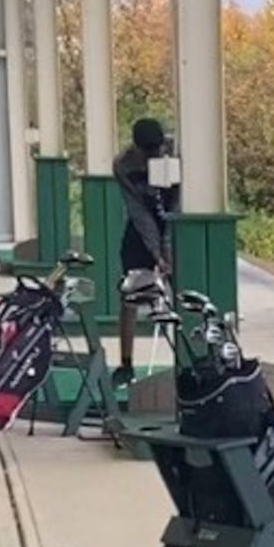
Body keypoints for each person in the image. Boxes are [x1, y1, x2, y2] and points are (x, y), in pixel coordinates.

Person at [112, 116, 179, 384]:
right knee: (130, 294)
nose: (156, 154)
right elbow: (138, 212)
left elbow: (181, 202)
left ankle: (191, 360)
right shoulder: (123, 165)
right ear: (137, 147)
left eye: (159, 148)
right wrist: (155, 252)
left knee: (184, 294)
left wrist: (168, 247)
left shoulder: (177, 152)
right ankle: (126, 363)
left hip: (177, 223)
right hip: (142, 231)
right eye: (149, 151)